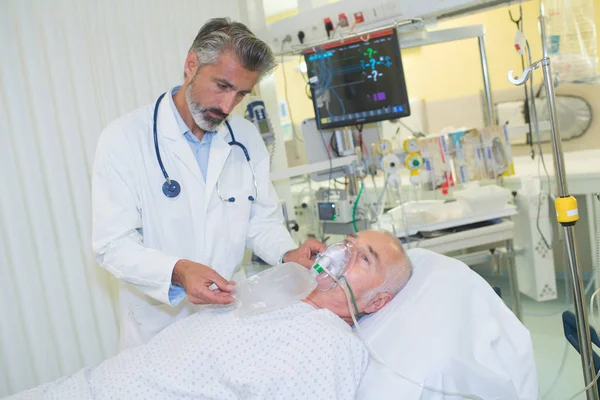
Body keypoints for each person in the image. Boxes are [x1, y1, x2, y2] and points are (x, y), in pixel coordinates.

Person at [91, 17, 325, 349]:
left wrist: (288, 253)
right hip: (159, 326)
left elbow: (260, 221)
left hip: (231, 317)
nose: (228, 106)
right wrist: (179, 270)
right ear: (191, 65)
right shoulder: (124, 139)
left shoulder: (244, 139)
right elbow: (112, 245)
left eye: (241, 94)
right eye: (222, 86)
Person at [9, 230, 413, 400]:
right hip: (91, 387)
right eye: (347, 243)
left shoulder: (329, 345)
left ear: (376, 303)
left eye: (363, 259)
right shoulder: (284, 295)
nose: (341, 255)